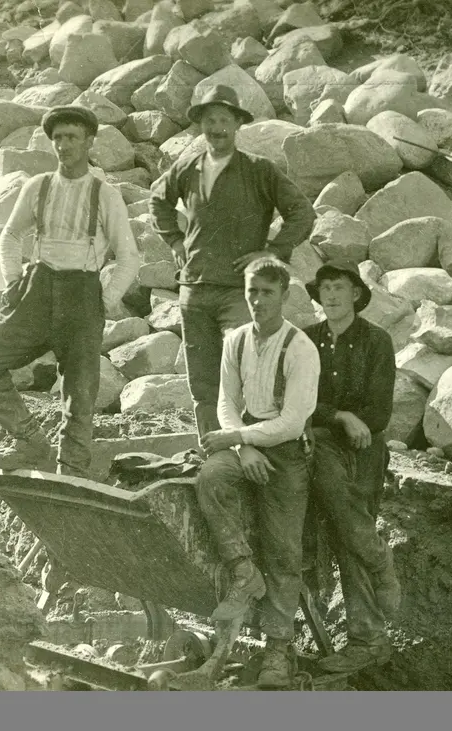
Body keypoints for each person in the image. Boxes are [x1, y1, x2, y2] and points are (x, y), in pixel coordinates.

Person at [0, 106, 138, 477]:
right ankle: (29, 442)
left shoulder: (104, 194)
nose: (64, 145)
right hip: (36, 289)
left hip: (82, 293)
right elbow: (10, 235)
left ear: (89, 141)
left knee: (80, 392)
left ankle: (71, 468)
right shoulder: (38, 186)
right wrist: (13, 280)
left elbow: (128, 258)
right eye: (57, 137)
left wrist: (104, 300)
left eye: (72, 137)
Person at [150, 85, 316, 443]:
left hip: (240, 293)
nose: (217, 128)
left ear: (237, 124)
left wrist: (270, 251)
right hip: (194, 290)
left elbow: (302, 213)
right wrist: (176, 241)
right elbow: (158, 201)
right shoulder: (187, 167)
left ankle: (248, 448)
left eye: (225, 119)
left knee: (245, 372)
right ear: (201, 126)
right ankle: (212, 454)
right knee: (203, 383)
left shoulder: (259, 170)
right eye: (210, 120)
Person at [190, 256, 321, 689]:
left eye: (267, 292)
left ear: (284, 294)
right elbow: (226, 402)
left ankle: (279, 651)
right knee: (211, 476)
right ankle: (244, 570)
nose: (258, 301)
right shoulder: (237, 340)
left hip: (285, 452)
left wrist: (243, 439)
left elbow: (292, 423)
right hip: (245, 443)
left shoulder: (300, 348)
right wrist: (242, 445)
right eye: (251, 292)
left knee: (284, 549)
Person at [300, 264, 403, 675]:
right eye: (324, 289)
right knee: (340, 527)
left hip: (363, 452)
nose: (331, 295)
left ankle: (368, 640)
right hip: (321, 445)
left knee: (347, 537)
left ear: (357, 294)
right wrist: (339, 414)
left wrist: (351, 422)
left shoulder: (377, 341)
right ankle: (380, 562)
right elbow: (298, 399)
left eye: (339, 288)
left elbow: (378, 413)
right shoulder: (306, 341)